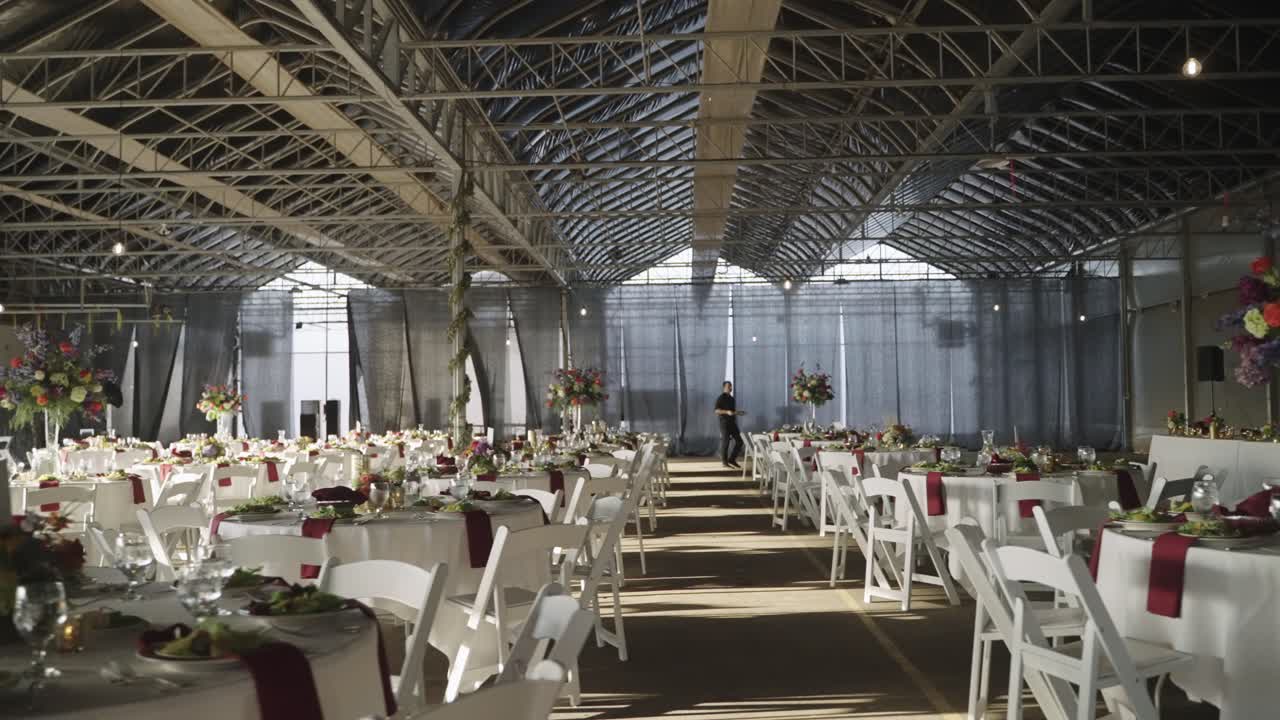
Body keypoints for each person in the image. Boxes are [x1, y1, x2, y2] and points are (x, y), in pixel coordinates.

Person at [714, 381, 745, 468]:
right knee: (726, 442)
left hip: (732, 423)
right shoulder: (721, 398)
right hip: (724, 423)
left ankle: (731, 459)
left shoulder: (732, 399)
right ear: (724, 388)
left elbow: (732, 412)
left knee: (739, 441)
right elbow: (716, 411)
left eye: (731, 386)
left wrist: (738, 413)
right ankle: (724, 462)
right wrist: (726, 412)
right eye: (728, 387)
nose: (730, 388)